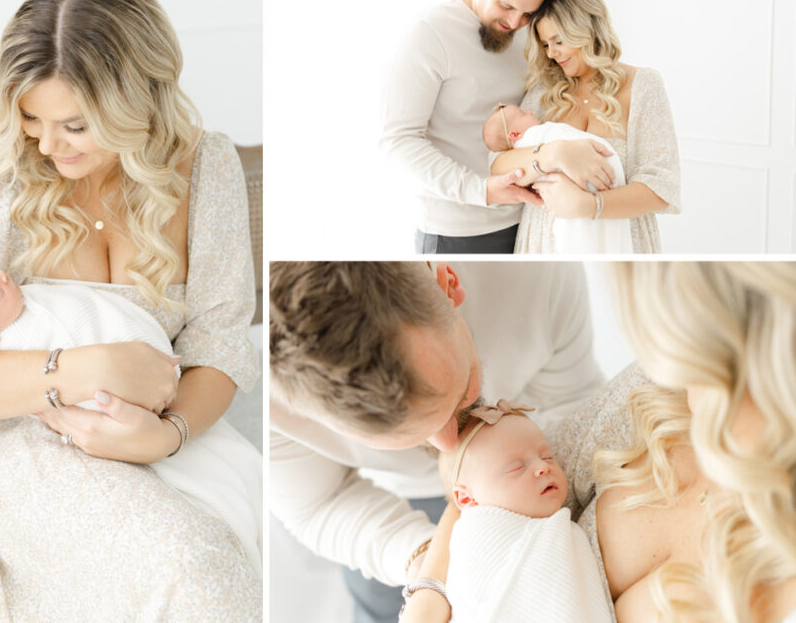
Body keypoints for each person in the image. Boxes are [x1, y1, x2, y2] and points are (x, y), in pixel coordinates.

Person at [0, 0, 261, 620]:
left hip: (163, 419)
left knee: (231, 564)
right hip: (19, 430)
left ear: (137, 100)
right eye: (33, 117)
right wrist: (83, 367)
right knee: (191, 572)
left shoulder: (207, 167)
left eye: (77, 125)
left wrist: (165, 435)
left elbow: (221, 345)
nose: (48, 144)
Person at [404, 263, 796, 622]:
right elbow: (477, 491)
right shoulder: (658, 391)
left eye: (711, 367)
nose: (682, 383)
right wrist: (429, 591)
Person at [269, 261, 605, 622]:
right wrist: (425, 563)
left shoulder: (537, 276)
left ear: (449, 287)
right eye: (408, 436)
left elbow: (575, 413)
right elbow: (320, 503)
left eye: (461, 394)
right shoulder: (275, 402)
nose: (448, 444)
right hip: (383, 512)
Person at [0, 251, 262, 573]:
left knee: (220, 523)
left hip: (171, 400)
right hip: (63, 443)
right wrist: (91, 373)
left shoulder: (8, 304)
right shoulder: (15, 338)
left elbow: (220, 341)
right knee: (174, 554)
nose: (3, 275)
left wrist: (169, 433)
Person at [380, 0, 615, 254]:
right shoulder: (428, 34)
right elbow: (397, 141)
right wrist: (482, 190)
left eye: (528, 12)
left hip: (530, 224)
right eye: (506, 5)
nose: (516, 22)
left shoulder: (532, 33)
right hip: (456, 232)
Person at [489, 0, 682, 253]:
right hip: (547, 244)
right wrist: (554, 154)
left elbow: (662, 187)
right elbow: (499, 166)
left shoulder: (643, 85)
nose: (551, 53)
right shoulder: (545, 90)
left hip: (622, 243)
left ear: (589, 31)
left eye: (559, 41)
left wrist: (590, 206)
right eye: (545, 44)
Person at [410, 400, 613, 623]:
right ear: (467, 499)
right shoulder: (479, 540)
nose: (543, 467)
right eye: (516, 468)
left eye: (547, 456)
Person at [482, 103, 631, 253]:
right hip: (561, 207)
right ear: (515, 135)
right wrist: (556, 153)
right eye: (523, 114)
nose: (529, 111)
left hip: (603, 195)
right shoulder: (532, 137)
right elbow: (499, 169)